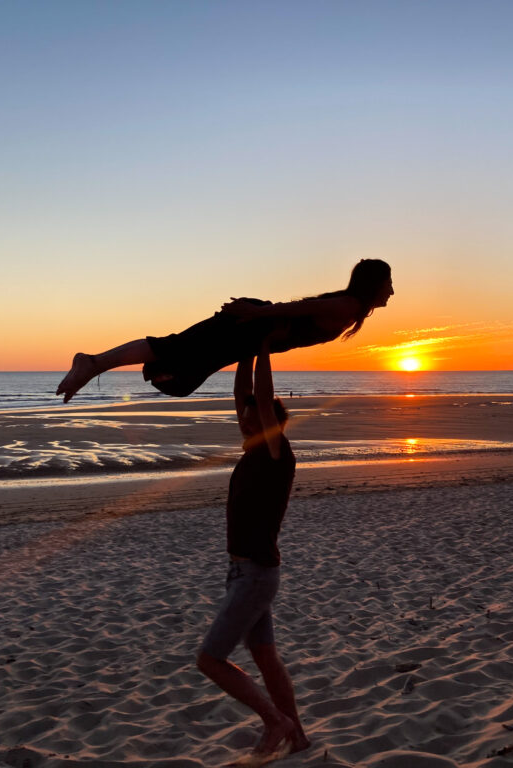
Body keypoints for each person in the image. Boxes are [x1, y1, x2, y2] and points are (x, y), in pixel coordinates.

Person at [195, 341, 309, 763]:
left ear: (270, 424)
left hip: (256, 574)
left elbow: (261, 396)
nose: (244, 425)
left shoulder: (277, 454)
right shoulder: (252, 453)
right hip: (244, 573)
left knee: (209, 659)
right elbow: (243, 393)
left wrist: (263, 346)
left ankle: (275, 721)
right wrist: (243, 349)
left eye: (251, 420)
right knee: (264, 656)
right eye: (242, 420)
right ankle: (297, 738)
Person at [55, 259, 393, 401]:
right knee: (172, 350)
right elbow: (299, 309)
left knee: (179, 373)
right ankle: (92, 363)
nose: (391, 291)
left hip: (251, 333)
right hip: (249, 325)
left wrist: (255, 344)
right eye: (388, 284)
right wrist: (256, 312)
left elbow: (293, 318)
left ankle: (98, 365)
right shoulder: (348, 306)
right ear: (374, 285)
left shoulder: (349, 309)